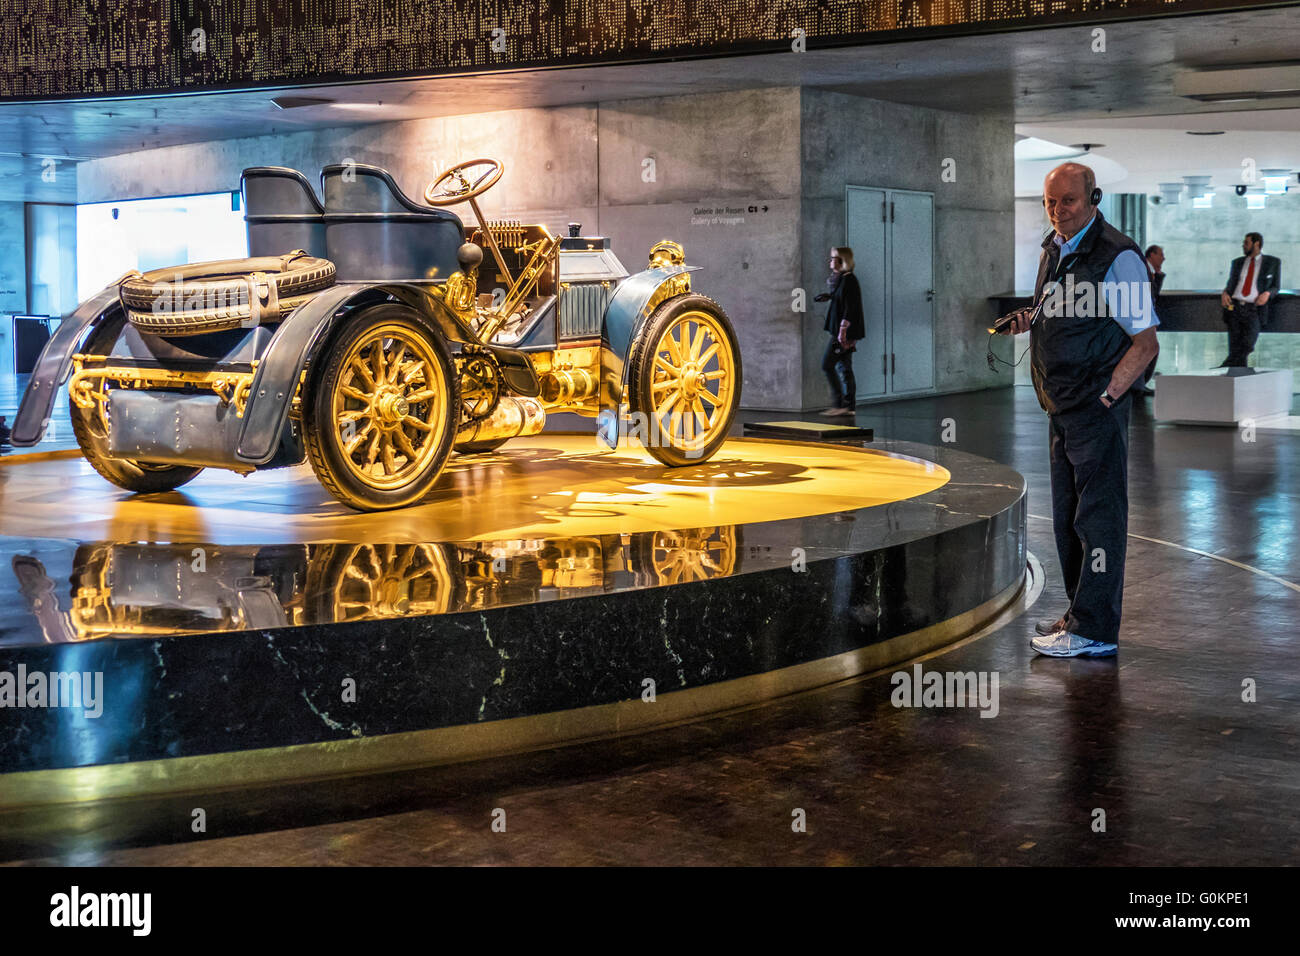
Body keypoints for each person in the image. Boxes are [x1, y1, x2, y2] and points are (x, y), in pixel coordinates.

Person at [999, 162, 1159, 658]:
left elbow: (1145, 343)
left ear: (1094, 198)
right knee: (1069, 521)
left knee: (1099, 521)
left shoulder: (1118, 257)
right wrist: (1030, 320)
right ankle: (1081, 615)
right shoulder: (1055, 249)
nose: (1058, 211)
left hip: (1094, 412)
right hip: (1060, 408)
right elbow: (1065, 309)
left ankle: (1094, 630)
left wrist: (1108, 397)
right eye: (1050, 202)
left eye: (1068, 201)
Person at [814, 247, 864, 417]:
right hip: (841, 332)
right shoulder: (841, 279)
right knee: (844, 367)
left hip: (842, 333)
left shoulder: (849, 280)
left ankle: (841, 404)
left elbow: (851, 307)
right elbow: (843, 300)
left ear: (842, 261)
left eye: (834, 258)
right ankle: (848, 406)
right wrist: (829, 296)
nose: (830, 261)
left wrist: (843, 332)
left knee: (827, 364)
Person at [1219, 232, 1281, 367]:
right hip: (1235, 307)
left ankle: (1226, 365)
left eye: (1246, 243)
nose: (1243, 246)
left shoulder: (1272, 262)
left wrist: (1267, 294)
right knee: (1234, 344)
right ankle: (1236, 376)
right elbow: (1232, 283)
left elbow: (1276, 286)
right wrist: (1224, 292)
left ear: (1256, 244)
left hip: (1254, 308)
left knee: (1248, 344)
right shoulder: (1238, 263)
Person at [1140, 244, 1165, 392]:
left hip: (1146, 318)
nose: (1163, 258)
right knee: (1148, 349)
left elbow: (1154, 295)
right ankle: (1139, 384)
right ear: (1152, 255)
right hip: (1141, 318)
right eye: (1161, 254)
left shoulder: (1152, 272)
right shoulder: (1142, 269)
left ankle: (1141, 383)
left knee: (1150, 349)